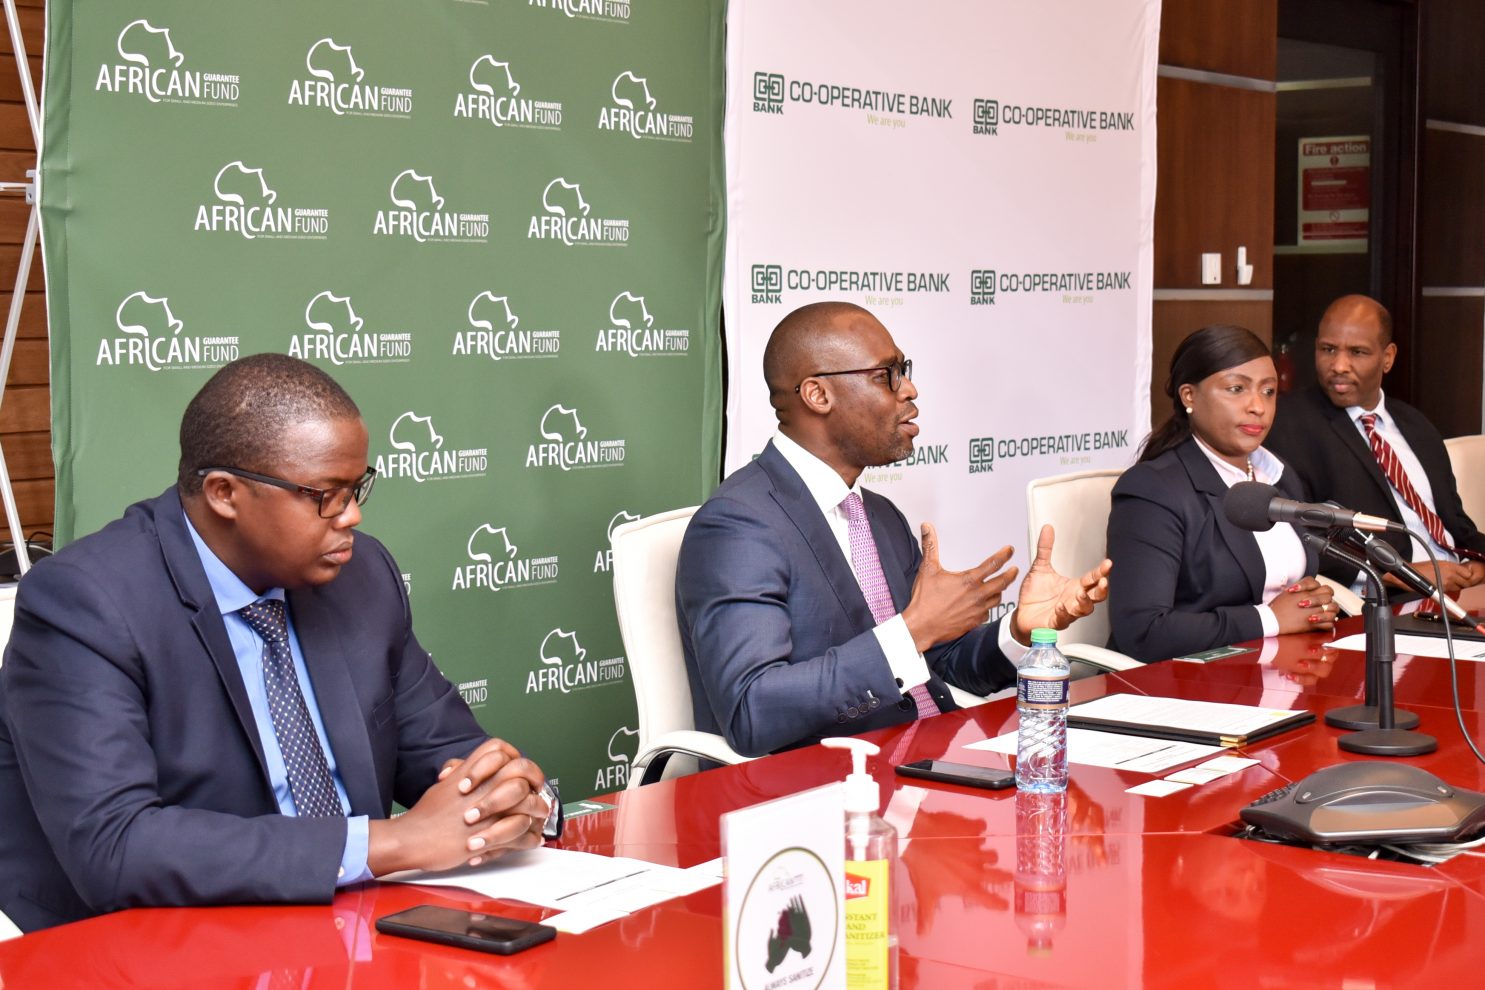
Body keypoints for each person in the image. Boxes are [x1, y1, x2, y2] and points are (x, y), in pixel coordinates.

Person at [0, 354, 557, 932]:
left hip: (353, 932)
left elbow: (452, 755)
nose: (352, 516)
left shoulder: (361, 576)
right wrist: (389, 843)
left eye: (357, 488)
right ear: (224, 493)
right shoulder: (87, 603)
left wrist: (504, 798)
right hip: (155, 940)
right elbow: (115, 847)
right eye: (326, 495)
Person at [675, 301, 1111, 758]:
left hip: (929, 762)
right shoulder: (739, 525)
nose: (910, 390)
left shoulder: (879, 515)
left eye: (905, 370)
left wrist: (1018, 631)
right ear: (818, 395)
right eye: (887, 375)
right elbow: (752, 709)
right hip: (825, 785)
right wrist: (912, 630)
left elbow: (939, 663)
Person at [1105, 325, 1335, 662]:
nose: (1258, 406)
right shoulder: (1152, 489)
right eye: (1237, 389)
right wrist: (1270, 619)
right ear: (1189, 396)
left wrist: (1312, 604)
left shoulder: (1280, 475)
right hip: (1188, 680)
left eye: (1269, 391)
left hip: (1284, 664)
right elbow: (1144, 631)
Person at [1266, 294, 1485, 593]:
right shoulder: (1288, 424)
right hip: (1390, 597)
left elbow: (1456, 523)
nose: (1339, 365)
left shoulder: (1415, 424)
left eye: (1357, 352)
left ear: (1388, 357)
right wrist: (1398, 572)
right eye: (1328, 349)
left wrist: (1479, 563)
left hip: (1459, 588)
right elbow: (1296, 534)